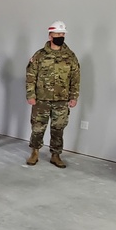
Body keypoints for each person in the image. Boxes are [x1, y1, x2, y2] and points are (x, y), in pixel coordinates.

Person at [26, 21, 80, 168]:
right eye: (57, 34)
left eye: (62, 34)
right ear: (50, 36)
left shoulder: (70, 56)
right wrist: (31, 95)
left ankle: (56, 155)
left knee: (58, 128)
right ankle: (34, 152)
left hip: (61, 100)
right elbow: (31, 75)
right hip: (41, 99)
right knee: (38, 127)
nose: (61, 36)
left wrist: (74, 97)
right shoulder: (40, 55)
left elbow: (75, 78)